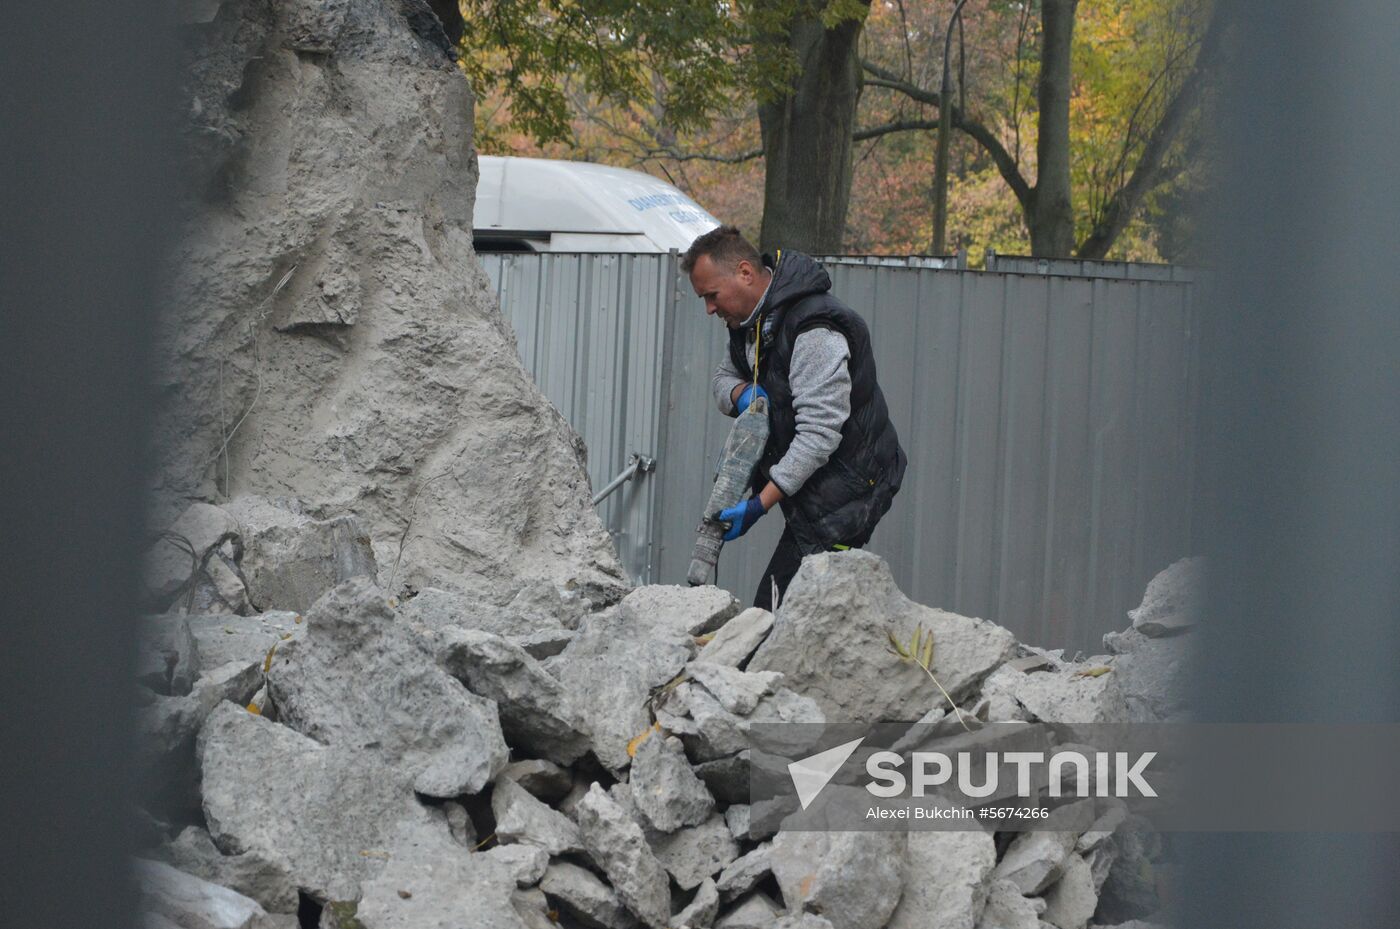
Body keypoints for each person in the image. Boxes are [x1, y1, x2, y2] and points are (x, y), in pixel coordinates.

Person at [682, 225, 907, 610]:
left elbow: (818, 435)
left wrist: (758, 505)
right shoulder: (750, 325)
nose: (709, 309)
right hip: (813, 487)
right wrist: (743, 394)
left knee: (775, 612)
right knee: (797, 612)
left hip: (850, 490)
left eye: (711, 296)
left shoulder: (814, 328)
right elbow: (724, 378)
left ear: (745, 273)